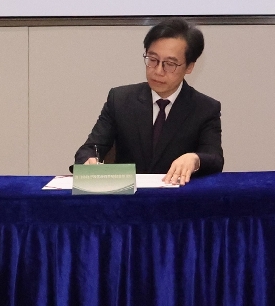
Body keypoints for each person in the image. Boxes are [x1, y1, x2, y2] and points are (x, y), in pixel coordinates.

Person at [74, 18, 223, 185]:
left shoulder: (205, 108)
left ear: (189, 67)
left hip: (177, 196)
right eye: (152, 60)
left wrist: (195, 159)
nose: (158, 71)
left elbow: (215, 158)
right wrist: (89, 160)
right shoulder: (120, 100)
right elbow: (89, 148)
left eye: (170, 64)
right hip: (128, 196)